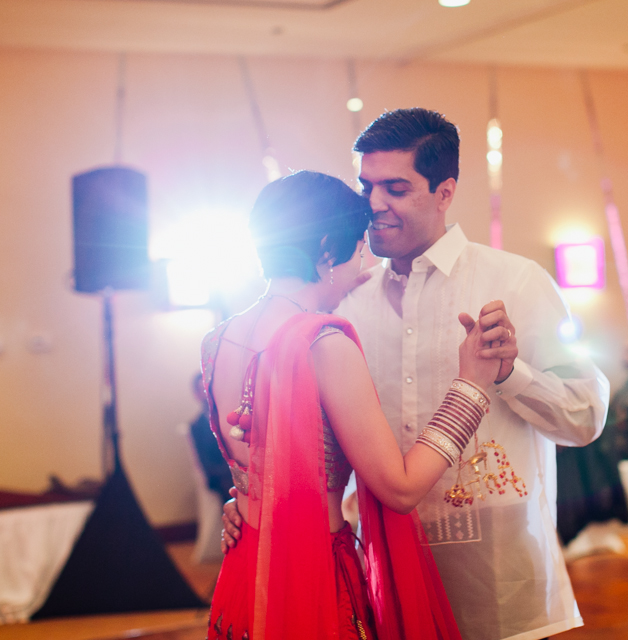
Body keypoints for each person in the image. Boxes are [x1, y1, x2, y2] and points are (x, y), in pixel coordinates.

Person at [224, 109, 609, 640]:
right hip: (381, 574)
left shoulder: (516, 282)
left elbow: (585, 418)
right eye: (367, 186)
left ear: (445, 191)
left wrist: (508, 374)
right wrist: (248, 499)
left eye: (395, 188)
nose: (373, 204)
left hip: (494, 573)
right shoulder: (345, 303)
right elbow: (298, 437)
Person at [203, 170, 503, 639]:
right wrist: (472, 384)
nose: (363, 266)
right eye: (359, 248)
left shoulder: (216, 340)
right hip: (311, 575)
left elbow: (260, 465)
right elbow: (400, 489)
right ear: (326, 250)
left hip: (248, 562)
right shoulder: (322, 341)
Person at [187, 372, 232, 505]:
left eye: (208, 388)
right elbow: (205, 461)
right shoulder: (196, 426)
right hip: (222, 478)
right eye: (202, 389)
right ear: (196, 394)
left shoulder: (229, 414)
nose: (206, 393)